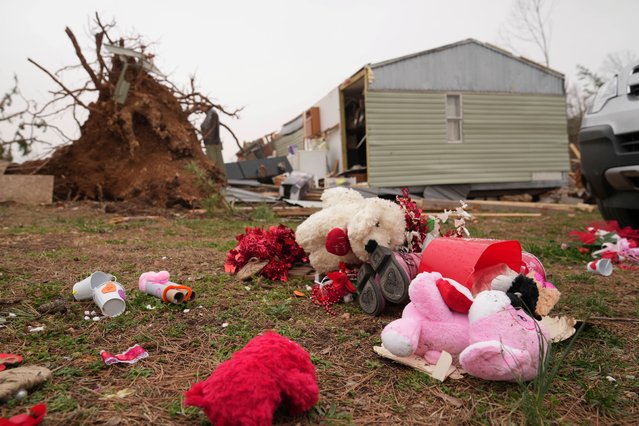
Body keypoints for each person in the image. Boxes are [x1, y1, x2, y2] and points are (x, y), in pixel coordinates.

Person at [200, 107, 226, 177]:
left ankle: (221, 179)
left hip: (213, 143)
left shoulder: (213, 113)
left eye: (201, 107)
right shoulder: (209, 115)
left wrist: (207, 135)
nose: (200, 109)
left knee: (216, 163)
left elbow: (214, 127)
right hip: (209, 143)